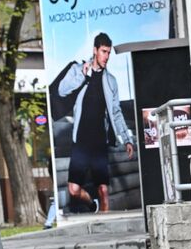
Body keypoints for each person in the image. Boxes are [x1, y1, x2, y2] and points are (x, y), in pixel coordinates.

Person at [56, 32, 135, 213]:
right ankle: (92, 205)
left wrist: (127, 138)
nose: (106, 57)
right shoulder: (78, 70)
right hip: (81, 142)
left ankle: (107, 230)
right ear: (95, 50)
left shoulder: (111, 81)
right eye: (103, 52)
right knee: (73, 190)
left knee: (103, 190)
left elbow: (116, 112)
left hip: (100, 142)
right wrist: (81, 77)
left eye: (108, 53)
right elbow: (62, 90)